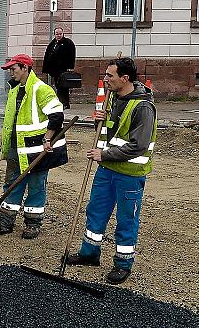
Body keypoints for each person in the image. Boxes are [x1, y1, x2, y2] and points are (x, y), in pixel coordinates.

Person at [65, 57, 156, 285]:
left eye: (110, 76)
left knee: (126, 220)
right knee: (95, 211)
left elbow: (138, 145)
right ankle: (89, 254)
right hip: (106, 170)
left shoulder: (143, 107)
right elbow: (112, 135)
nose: (105, 79)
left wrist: (103, 154)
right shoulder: (114, 97)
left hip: (129, 174)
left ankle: (123, 264)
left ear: (125, 78)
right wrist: (100, 121)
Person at [0, 54, 68, 239]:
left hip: (35, 151)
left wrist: (47, 139)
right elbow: (13, 119)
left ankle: (33, 224)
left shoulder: (41, 89)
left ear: (24, 68)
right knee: (12, 184)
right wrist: (4, 139)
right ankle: (5, 222)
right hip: (17, 148)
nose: (11, 73)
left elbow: (57, 116)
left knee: (36, 186)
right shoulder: (15, 90)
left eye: (13, 69)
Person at [42, 27, 76, 109]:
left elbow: (72, 55)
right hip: (55, 70)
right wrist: (46, 68)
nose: (59, 35)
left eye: (60, 34)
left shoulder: (68, 43)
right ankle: (61, 102)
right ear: (55, 34)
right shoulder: (53, 43)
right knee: (58, 86)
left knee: (64, 86)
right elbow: (47, 55)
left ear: (63, 34)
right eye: (57, 34)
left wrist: (70, 67)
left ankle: (65, 103)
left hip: (64, 69)